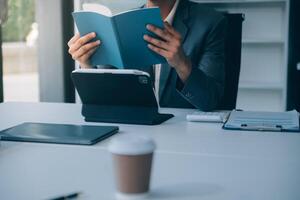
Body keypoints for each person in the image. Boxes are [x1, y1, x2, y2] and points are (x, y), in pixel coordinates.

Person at [68, 0, 227, 111]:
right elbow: (102, 103)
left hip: (185, 135)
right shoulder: (123, 23)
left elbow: (210, 101)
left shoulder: (211, 23)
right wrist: (87, 65)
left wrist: (182, 63)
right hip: (132, 133)